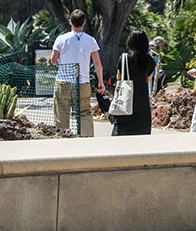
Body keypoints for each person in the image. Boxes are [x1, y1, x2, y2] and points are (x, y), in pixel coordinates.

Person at [50, 9, 105, 137]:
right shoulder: (91, 40)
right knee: (84, 112)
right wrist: (101, 82)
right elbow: (97, 63)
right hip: (82, 81)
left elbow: (53, 60)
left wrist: (61, 64)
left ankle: (62, 138)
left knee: (62, 111)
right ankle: (86, 138)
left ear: (70, 22)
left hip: (63, 81)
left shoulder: (61, 39)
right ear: (84, 22)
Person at [111, 29, 155, 136]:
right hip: (142, 99)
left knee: (122, 130)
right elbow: (148, 80)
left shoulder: (124, 58)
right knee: (141, 132)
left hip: (126, 98)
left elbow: (119, 77)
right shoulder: (149, 60)